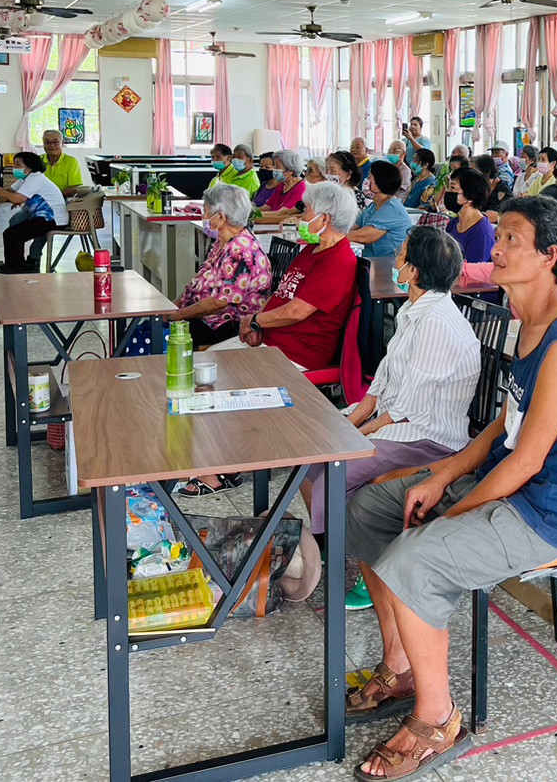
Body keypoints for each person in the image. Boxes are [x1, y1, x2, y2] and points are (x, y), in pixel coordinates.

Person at [344, 198, 557, 776]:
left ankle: (438, 720)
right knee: (368, 509)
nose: (497, 247)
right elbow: (503, 426)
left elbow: (528, 459)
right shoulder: (526, 324)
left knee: (417, 558)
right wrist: (443, 473)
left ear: (550, 257)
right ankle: (401, 664)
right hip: (505, 482)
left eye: (513, 239)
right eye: (502, 236)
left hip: (546, 510)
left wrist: (453, 510)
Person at [302, 228, 481, 613]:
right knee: (309, 461)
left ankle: (374, 572)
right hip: (397, 423)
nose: (395, 261)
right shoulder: (414, 310)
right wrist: (354, 419)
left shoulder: (436, 322)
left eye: (401, 255)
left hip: (426, 436)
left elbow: (407, 409)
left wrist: (360, 434)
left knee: (334, 474)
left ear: (414, 271)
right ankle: (332, 549)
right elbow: (384, 380)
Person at [190, 184, 359, 498]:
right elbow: (281, 295)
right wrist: (259, 325)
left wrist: (254, 320)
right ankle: (211, 454)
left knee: (219, 376)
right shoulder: (311, 250)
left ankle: (225, 467)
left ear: (324, 219)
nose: (301, 216)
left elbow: (297, 311)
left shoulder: (339, 259)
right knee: (205, 363)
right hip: (274, 339)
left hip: (301, 352)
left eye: (306, 210)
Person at [165, 183, 273, 346]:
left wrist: (176, 315)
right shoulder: (223, 242)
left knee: (157, 339)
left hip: (225, 324)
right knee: (151, 328)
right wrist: (172, 307)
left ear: (221, 217)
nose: (203, 217)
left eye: (206, 212)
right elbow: (197, 283)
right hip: (207, 318)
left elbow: (218, 302)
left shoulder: (240, 251)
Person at [0, 151, 67, 274]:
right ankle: (17, 265)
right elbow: (10, 192)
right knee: (13, 230)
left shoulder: (35, 178)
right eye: (14, 165)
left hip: (53, 218)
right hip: (43, 218)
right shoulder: (25, 179)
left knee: (13, 234)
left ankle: (16, 267)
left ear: (29, 167)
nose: (15, 168)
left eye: (18, 164)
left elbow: (16, 198)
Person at [351, 159, 412, 259]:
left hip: (387, 265)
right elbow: (354, 226)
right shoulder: (374, 206)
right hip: (370, 260)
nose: (366, 180)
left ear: (378, 183)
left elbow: (362, 236)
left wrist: (334, 237)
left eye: (369, 177)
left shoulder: (392, 209)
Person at [444, 167, 495, 262]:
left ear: (470, 196)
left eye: (453, 187)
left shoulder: (481, 234)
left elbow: (474, 273)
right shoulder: (454, 223)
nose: (448, 192)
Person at [258, 149, 307, 222]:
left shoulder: (301, 188)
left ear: (289, 171)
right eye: (274, 165)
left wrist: (255, 217)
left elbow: (282, 213)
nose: (274, 169)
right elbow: (267, 207)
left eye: (277, 167)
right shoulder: (282, 185)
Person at [40, 128, 85, 195]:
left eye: (56, 142)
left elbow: (75, 187)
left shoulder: (71, 161)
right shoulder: (37, 160)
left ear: (62, 143)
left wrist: (55, 196)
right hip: (39, 200)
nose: (51, 145)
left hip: (64, 199)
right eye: (47, 142)